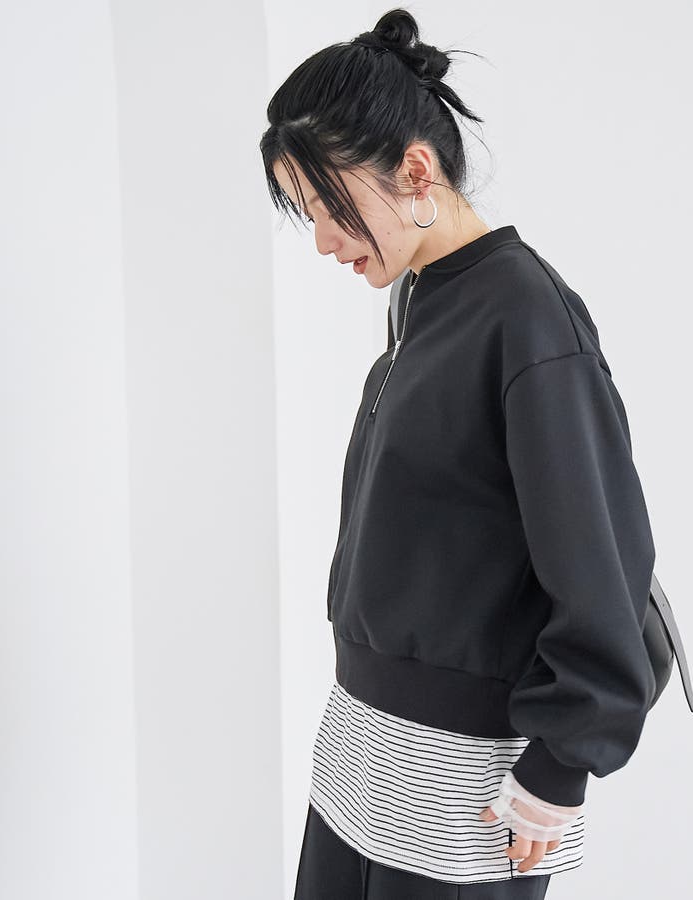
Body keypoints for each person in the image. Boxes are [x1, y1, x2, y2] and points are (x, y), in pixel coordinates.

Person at [259, 8, 658, 899]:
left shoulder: (527, 317)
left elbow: (602, 561)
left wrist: (560, 765)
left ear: (415, 171)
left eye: (330, 207)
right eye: (309, 214)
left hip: (465, 786)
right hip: (362, 751)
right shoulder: (421, 298)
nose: (322, 240)